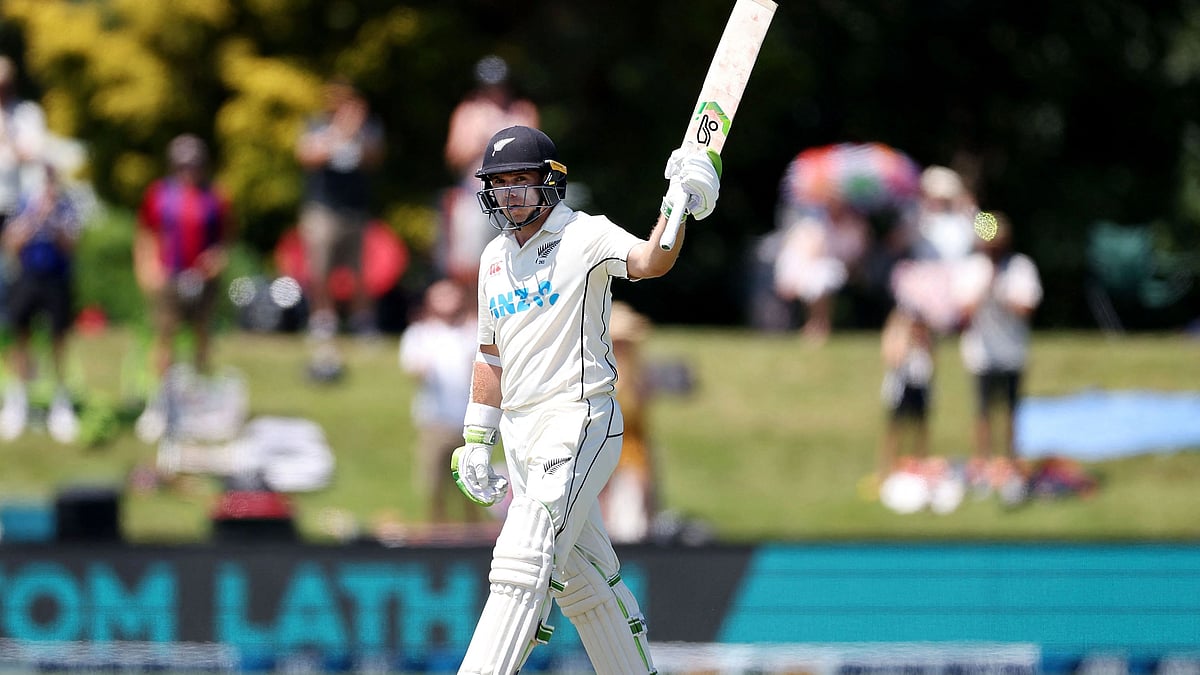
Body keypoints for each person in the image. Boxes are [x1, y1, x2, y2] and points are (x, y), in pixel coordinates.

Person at [448, 125, 718, 674]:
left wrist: (678, 207)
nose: (509, 195)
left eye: (521, 181)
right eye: (500, 185)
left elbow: (650, 262)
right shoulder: (494, 258)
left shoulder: (584, 235)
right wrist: (477, 438)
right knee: (583, 583)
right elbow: (489, 355)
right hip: (521, 435)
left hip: (579, 418)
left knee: (523, 562)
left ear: (551, 183)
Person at [132, 134, 232, 443]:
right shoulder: (160, 195)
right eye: (183, 164)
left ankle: (198, 401)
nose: (189, 170)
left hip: (202, 279)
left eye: (194, 164)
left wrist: (217, 259)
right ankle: (159, 403)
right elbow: (145, 233)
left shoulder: (215, 197)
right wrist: (147, 267)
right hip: (169, 276)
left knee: (202, 335)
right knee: (165, 337)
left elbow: (225, 239)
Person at [956, 211, 1042, 496]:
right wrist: (986, 286)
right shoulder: (971, 268)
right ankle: (983, 466)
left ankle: (1012, 466)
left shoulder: (1020, 267)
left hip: (1012, 352)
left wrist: (1004, 296)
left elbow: (1028, 307)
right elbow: (963, 311)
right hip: (982, 353)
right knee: (982, 412)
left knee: (1011, 412)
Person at [295, 77, 386, 346]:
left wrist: (358, 133)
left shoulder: (368, 127)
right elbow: (307, 157)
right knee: (320, 267)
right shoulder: (316, 125)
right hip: (322, 207)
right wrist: (340, 133)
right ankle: (323, 319)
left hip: (355, 208)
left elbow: (375, 158)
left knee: (360, 269)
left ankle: (362, 320)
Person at [441, 56, 540, 289]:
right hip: (477, 193)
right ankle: (473, 313)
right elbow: (453, 156)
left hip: (519, 193)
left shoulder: (523, 110)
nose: (496, 92)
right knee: (470, 255)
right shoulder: (468, 112)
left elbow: (538, 153)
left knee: (523, 248)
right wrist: (483, 140)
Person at [0, 163, 81, 443]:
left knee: (58, 340)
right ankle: (18, 400)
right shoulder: (22, 204)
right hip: (27, 278)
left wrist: (54, 220)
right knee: (21, 337)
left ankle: (60, 400)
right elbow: (11, 244)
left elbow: (72, 246)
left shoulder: (66, 206)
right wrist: (35, 217)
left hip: (57, 280)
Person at [398, 278, 483, 525]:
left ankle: (473, 533)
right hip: (435, 420)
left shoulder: (473, 330)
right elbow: (413, 367)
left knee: (473, 486)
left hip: (469, 422)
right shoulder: (421, 333)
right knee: (434, 484)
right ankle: (437, 531)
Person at [598, 301, 659, 544]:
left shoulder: (635, 378)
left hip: (628, 467)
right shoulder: (608, 378)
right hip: (606, 469)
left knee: (629, 532)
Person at [0, 55, 48, 328]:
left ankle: (14, 326)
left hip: (18, 204)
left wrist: (7, 131)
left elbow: (32, 154)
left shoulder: (27, 113)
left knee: (15, 272)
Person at [877, 305, 935, 480]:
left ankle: (918, 468)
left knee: (920, 429)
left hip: (920, 386)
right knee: (895, 430)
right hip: (900, 389)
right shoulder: (896, 336)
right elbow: (894, 359)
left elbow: (931, 364)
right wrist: (905, 339)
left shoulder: (925, 339)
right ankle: (887, 471)